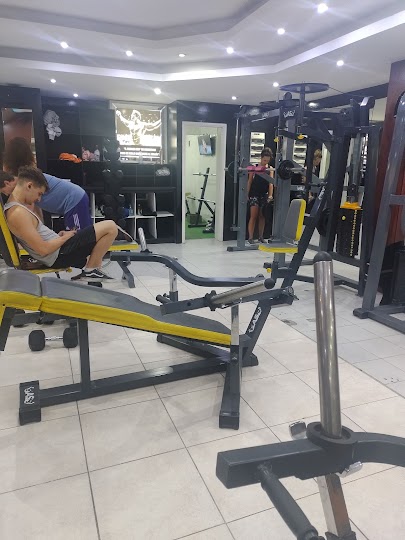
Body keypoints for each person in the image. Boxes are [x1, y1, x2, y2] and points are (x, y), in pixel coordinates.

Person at [4, 167, 117, 281]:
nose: (39, 199)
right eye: (39, 193)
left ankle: (91, 269)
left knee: (100, 235)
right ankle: (91, 270)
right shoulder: (18, 213)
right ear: (29, 186)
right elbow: (43, 250)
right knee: (110, 227)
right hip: (59, 255)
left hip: (59, 250)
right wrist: (65, 238)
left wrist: (58, 237)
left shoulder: (16, 209)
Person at [1, 137, 92, 230]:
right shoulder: (25, 179)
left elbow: (32, 209)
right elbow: (35, 206)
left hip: (74, 199)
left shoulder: (26, 180)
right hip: (73, 199)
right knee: (82, 234)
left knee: (80, 235)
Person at [247, 148, 274, 244]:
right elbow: (249, 181)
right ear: (261, 158)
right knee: (253, 216)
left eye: (267, 161)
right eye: (264, 160)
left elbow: (271, 183)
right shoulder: (254, 167)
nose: (265, 162)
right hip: (254, 193)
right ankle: (250, 237)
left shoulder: (270, 168)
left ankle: (261, 237)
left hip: (264, 194)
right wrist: (247, 194)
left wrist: (270, 195)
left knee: (262, 216)